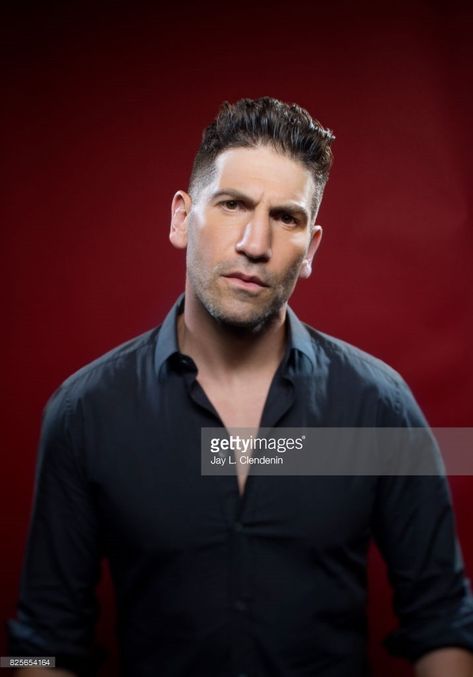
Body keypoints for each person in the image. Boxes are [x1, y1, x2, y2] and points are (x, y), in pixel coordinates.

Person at [7, 97, 473, 677]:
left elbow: (444, 621)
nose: (256, 243)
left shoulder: (380, 408)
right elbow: (38, 640)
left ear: (311, 250)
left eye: (286, 217)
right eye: (233, 204)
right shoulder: (84, 413)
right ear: (182, 218)